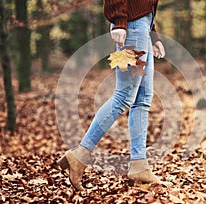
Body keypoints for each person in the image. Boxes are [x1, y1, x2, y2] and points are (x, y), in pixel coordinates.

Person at [57, 0, 166, 191]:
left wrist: (153, 35)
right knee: (124, 95)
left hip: (142, 26)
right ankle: (80, 155)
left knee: (142, 99)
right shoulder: (125, 21)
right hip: (132, 26)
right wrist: (119, 21)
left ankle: (139, 164)